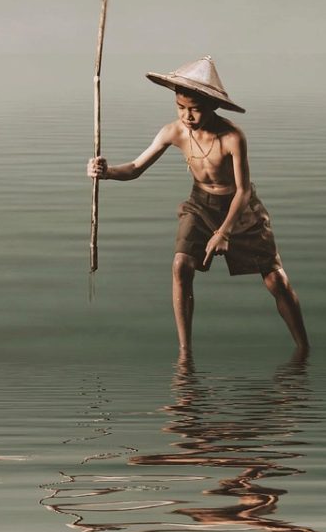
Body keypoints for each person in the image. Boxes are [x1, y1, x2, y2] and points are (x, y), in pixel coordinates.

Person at [88, 56, 308, 357]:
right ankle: (184, 353)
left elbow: (243, 191)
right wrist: (107, 171)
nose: (187, 116)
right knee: (181, 265)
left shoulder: (232, 137)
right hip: (200, 204)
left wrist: (224, 232)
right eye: (181, 108)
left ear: (212, 106)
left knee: (275, 279)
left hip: (239, 208)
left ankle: (303, 348)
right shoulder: (174, 131)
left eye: (194, 109)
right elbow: (137, 167)